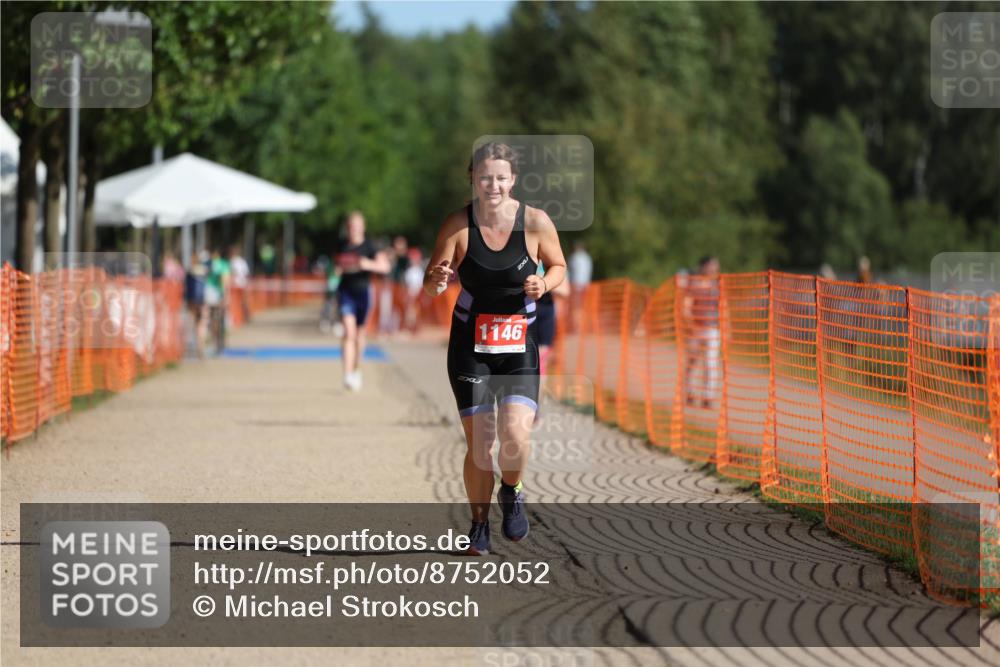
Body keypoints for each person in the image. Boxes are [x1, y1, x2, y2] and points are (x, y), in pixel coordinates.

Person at [423, 142, 567, 555]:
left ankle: (512, 489)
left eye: (501, 177)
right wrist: (436, 278)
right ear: (472, 177)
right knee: (481, 443)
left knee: (516, 437)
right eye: (485, 177)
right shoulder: (457, 225)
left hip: (519, 341)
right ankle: (479, 525)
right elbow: (432, 285)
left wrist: (546, 283)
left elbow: (558, 266)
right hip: (470, 343)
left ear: (513, 180)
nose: (493, 185)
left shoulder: (536, 222)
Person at [335, 211, 391, 391]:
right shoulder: (342, 246)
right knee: (348, 332)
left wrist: (368, 264)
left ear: (363, 227)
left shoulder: (370, 247)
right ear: (348, 228)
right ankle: (347, 374)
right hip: (345, 292)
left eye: (357, 226)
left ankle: (356, 368)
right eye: (351, 226)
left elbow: (385, 267)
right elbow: (335, 268)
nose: (354, 229)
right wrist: (336, 271)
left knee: (359, 335)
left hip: (363, 293)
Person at [683, 255, 721, 409]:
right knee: (692, 362)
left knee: (710, 364)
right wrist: (690, 326)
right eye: (712, 265)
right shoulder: (694, 285)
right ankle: (689, 392)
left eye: (716, 266)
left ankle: (708, 396)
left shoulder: (718, 285)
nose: (715, 269)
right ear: (703, 267)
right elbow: (686, 307)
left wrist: (727, 328)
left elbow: (723, 307)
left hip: (712, 330)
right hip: (696, 329)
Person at [204, 247, 231, 355]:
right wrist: (225, 296)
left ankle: (214, 343)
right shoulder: (224, 265)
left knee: (210, 320)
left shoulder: (207, 263)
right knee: (219, 320)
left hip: (207, 295)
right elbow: (225, 281)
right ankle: (218, 343)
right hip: (218, 295)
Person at [567, 240, 592, 332]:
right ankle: (582, 326)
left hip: (575, 286)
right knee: (583, 307)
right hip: (586, 285)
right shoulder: (587, 258)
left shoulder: (574, 257)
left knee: (576, 307)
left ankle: (577, 327)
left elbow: (570, 272)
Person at [229, 245, 251, 325]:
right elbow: (246, 274)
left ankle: (240, 317)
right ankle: (244, 316)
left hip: (235, 285)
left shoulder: (233, 261)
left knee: (236, 301)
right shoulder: (242, 261)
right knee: (243, 301)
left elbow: (232, 273)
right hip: (242, 284)